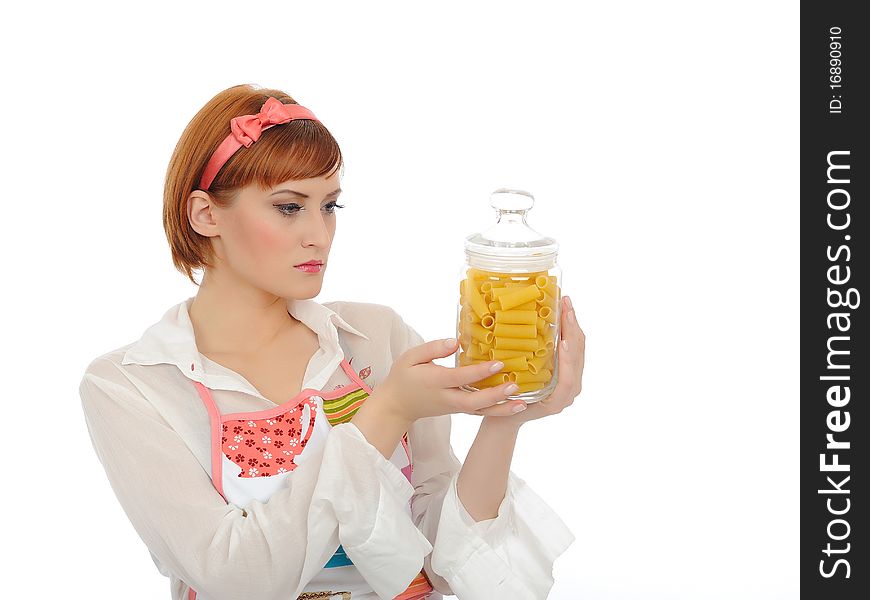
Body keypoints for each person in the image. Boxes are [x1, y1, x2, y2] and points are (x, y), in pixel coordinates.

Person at [78, 84, 586, 600]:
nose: (320, 235)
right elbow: (238, 577)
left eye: (330, 205)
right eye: (288, 207)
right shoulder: (131, 385)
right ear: (206, 215)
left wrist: (507, 417)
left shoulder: (377, 339)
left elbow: (444, 563)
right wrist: (385, 414)